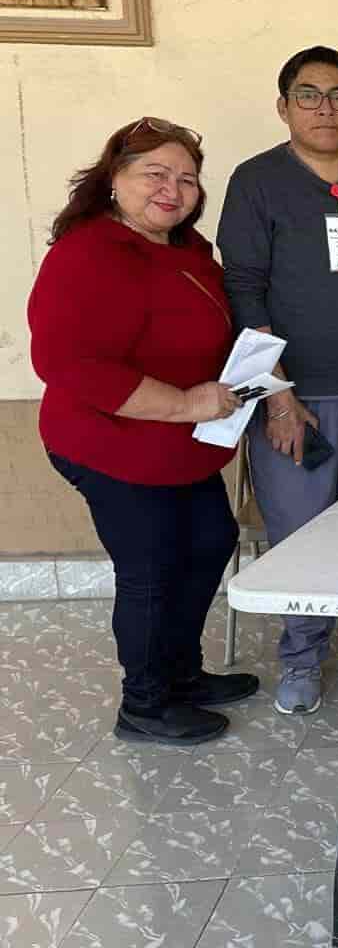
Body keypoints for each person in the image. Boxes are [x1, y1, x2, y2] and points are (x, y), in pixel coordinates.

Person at [30, 117, 257, 745]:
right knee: (153, 567)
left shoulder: (189, 251)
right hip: (111, 444)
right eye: (154, 172)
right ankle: (145, 705)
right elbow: (68, 364)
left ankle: (181, 674)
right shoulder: (86, 252)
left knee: (210, 541)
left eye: (186, 178)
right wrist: (185, 402)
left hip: (180, 445)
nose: (172, 188)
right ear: (114, 178)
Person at [218, 46, 338, 717]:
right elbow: (241, 291)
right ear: (283, 107)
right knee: (300, 536)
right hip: (293, 402)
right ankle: (301, 656)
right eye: (308, 95)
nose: (325, 108)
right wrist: (273, 394)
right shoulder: (256, 181)